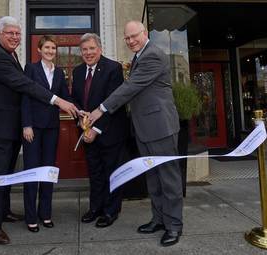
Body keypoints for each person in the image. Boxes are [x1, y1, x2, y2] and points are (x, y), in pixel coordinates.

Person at [0, 16, 77, 245]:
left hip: (8, 127)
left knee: (6, 175)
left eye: (17, 33)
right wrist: (57, 101)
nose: (14, 37)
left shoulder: (9, 54)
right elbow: (24, 85)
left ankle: (3, 212)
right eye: (9, 33)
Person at [88, 21, 183, 246]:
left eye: (134, 36)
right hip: (145, 128)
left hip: (161, 127)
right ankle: (159, 220)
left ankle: (174, 226)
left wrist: (101, 109)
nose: (131, 41)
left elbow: (130, 88)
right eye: (127, 38)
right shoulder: (140, 56)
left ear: (145, 33)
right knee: (153, 178)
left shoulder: (152, 55)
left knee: (168, 180)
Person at [71, 33, 129, 228]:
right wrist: (80, 122)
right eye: (84, 49)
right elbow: (75, 100)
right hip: (86, 133)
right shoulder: (78, 72)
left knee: (111, 173)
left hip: (109, 132)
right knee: (94, 173)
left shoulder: (113, 68)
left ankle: (111, 211)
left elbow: (114, 102)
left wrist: (95, 129)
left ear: (100, 49)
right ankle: (95, 208)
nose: (88, 53)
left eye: (92, 49)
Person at [21, 35, 70, 233]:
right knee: (32, 171)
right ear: (39, 50)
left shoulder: (59, 73)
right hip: (33, 128)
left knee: (48, 172)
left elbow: (65, 97)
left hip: (51, 129)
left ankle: (45, 214)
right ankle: (31, 217)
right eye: (47, 47)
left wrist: (82, 109)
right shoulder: (31, 69)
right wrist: (26, 125)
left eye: (53, 48)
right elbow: (25, 96)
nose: (51, 51)